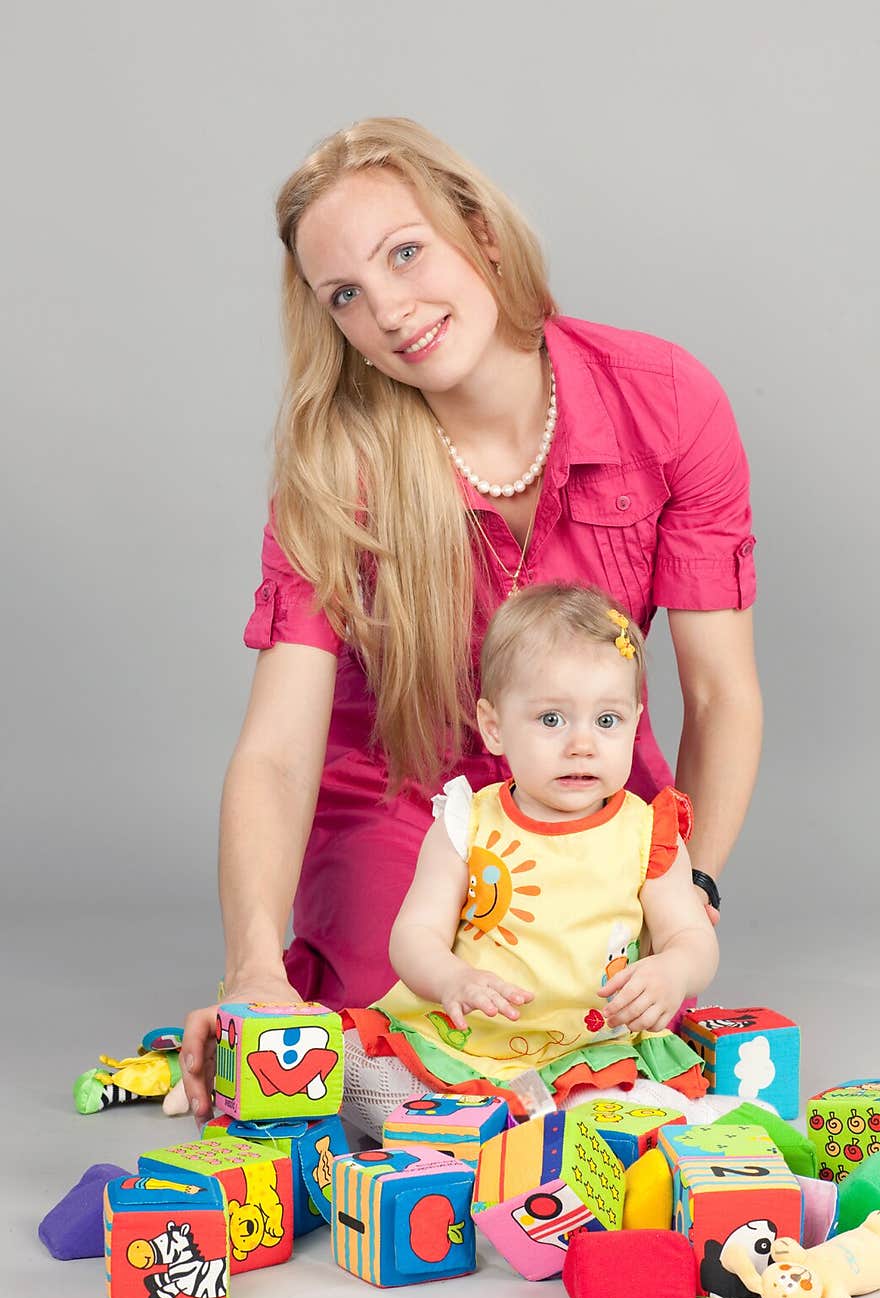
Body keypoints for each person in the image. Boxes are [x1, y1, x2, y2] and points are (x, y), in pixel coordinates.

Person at [180, 116, 762, 1128]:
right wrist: (251, 971)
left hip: (587, 785)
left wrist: (685, 898)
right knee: (389, 1037)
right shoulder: (335, 465)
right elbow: (275, 750)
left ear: (480, 232)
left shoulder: (664, 401)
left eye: (405, 253)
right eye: (347, 296)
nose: (391, 311)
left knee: (613, 1045)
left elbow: (720, 689)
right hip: (403, 794)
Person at [339, 583, 717, 1136]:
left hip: (587, 1051)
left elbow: (691, 935)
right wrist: (451, 978)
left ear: (635, 722)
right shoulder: (466, 823)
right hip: (467, 1044)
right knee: (348, 1067)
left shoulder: (646, 830)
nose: (581, 744)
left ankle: (525, 1133)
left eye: (606, 721)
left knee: (658, 1115)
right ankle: (482, 1130)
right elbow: (413, 934)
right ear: (494, 727)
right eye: (551, 720)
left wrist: (673, 969)